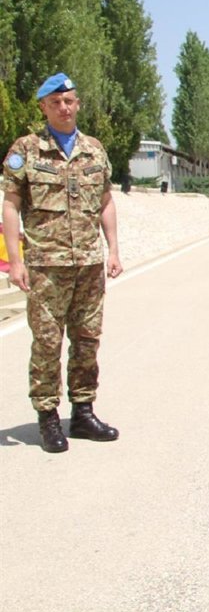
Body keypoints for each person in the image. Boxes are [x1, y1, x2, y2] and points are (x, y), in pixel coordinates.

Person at [2, 73, 123, 454]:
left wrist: (113, 250)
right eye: (55, 102)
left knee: (87, 341)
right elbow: (10, 206)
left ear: (78, 104)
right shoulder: (27, 150)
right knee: (47, 343)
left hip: (88, 264)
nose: (63, 107)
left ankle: (83, 413)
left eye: (69, 101)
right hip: (45, 267)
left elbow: (105, 202)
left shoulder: (94, 150)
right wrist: (15, 261)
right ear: (44, 107)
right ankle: (48, 418)